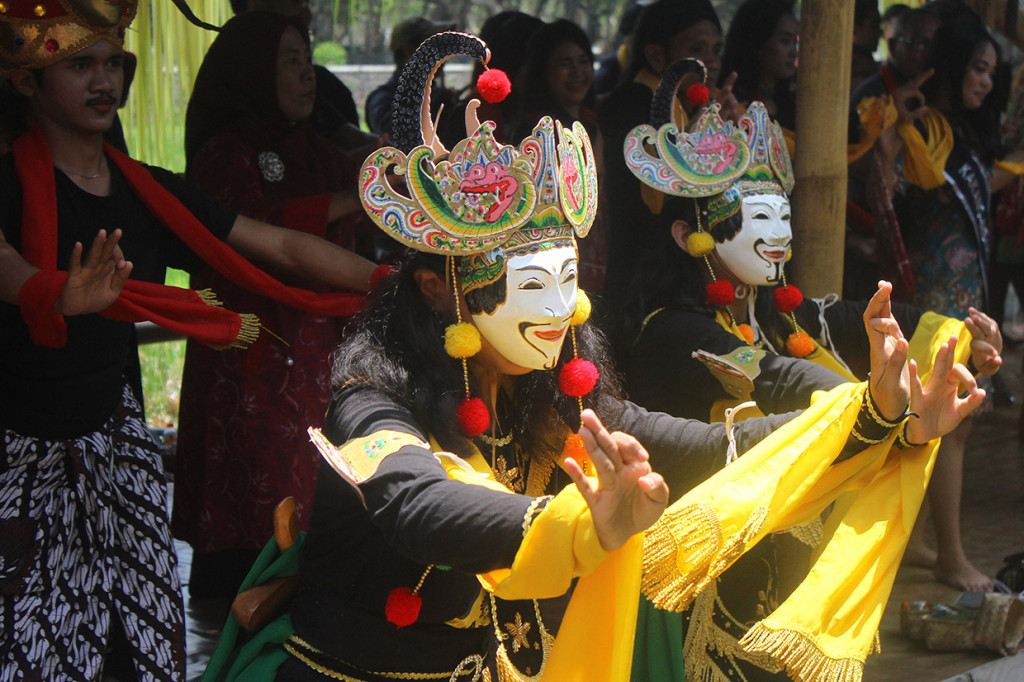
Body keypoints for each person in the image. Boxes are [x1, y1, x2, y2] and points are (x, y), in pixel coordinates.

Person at [204, 31, 984, 682]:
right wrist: (579, 523)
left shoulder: (561, 405)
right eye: (533, 284)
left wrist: (878, 416)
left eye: (569, 281)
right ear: (442, 293)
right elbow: (420, 507)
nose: (561, 308)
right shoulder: (371, 399)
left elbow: (715, 449)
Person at [0, 0, 378, 677]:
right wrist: (51, 292)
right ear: (28, 81)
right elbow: (7, 266)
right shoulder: (5, 184)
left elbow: (283, 247)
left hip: (114, 448)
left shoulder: (147, 193)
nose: (102, 81)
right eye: (79, 65)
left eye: (113, 63)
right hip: (19, 455)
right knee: (30, 653)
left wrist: (394, 280)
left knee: (142, 648)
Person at [618, 67, 1004, 680]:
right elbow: (778, 379)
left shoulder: (791, 320)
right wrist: (883, 410)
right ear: (690, 235)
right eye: (759, 221)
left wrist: (960, 337)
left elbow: (871, 318)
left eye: (783, 218)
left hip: (780, 553)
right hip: (706, 568)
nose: (780, 236)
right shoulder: (674, 333)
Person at [172, 11, 372, 602]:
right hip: (252, 345)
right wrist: (343, 201)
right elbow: (253, 232)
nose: (307, 75)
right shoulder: (225, 154)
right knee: (253, 472)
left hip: (316, 340)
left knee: (311, 470)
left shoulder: (317, 146)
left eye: (308, 60)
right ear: (252, 73)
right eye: (290, 62)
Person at [874, 18, 1024, 591]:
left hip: (963, 297)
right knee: (946, 426)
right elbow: (899, 188)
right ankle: (952, 557)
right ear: (953, 65)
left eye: (993, 72)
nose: (986, 82)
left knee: (940, 423)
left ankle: (924, 542)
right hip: (932, 298)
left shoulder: (960, 130)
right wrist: (891, 136)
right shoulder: (922, 127)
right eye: (978, 69)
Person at [599, 0, 735, 307]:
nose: (711, 62)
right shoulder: (632, 102)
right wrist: (698, 143)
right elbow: (652, 198)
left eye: (716, 49)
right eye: (698, 49)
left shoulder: (697, 107)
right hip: (643, 280)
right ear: (657, 55)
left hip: (686, 273)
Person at [228, 0, 377, 161]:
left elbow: (342, 133)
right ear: (259, 5)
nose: (307, 15)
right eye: (292, 60)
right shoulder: (229, 150)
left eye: (306, 59)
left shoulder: (320, 87)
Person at [364, 15, 456, 137]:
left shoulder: (436, 94)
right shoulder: (383, 100)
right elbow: (399, 135)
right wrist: (437, 105)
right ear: (409, 50)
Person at [719, 0, 799, 131]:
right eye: (785, 41)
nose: (793, 52)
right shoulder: (731, 103)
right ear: (758, 42)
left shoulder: (795, 106)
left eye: (795, 42)